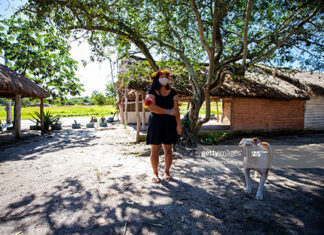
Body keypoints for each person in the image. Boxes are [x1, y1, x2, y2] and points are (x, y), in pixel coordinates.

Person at [145, 69, 182, 183]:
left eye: (166, 77)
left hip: (169, 123)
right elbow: (152, 108)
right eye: (162, 77)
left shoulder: (173, 92)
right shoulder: (151, 91)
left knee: (168, 149)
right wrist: (168, 112)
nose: (164, 79)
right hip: (156, 123)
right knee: (155, 149)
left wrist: (178, 125)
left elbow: (176, 110)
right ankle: (155, 173)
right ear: (156, 79)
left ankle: (167, 171)